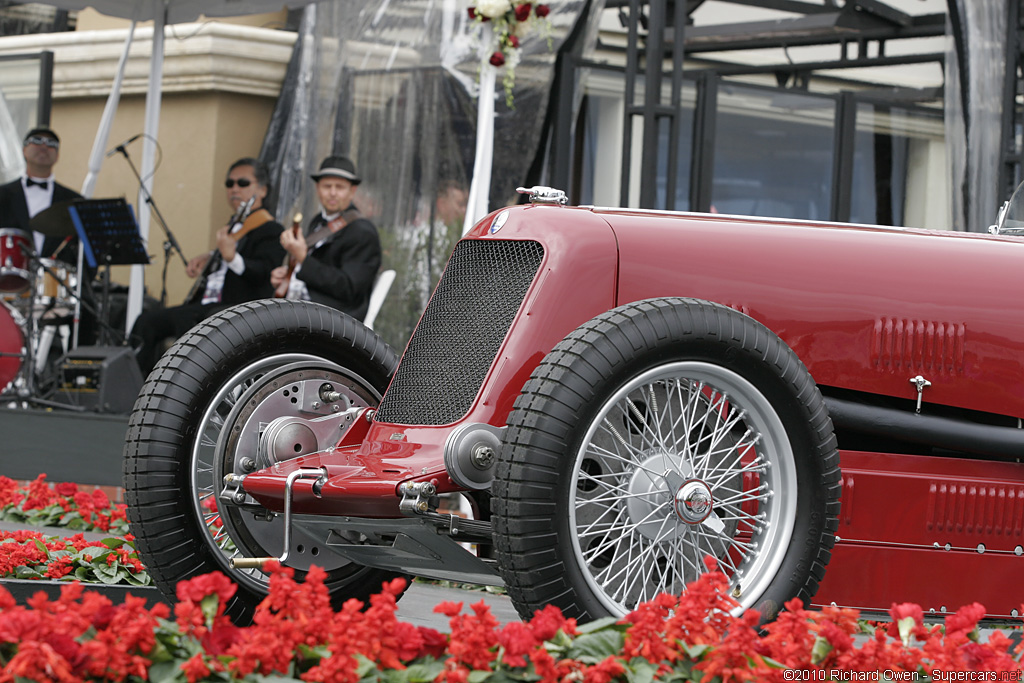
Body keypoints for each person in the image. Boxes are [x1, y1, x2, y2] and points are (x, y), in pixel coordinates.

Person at [130, 157, 286, 375]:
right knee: (147, 320)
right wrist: (210, 259)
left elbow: (263, 273)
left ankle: (184, 389)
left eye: (243, 183)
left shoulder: (271, 229)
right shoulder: (233, 225)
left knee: (188, 320)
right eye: (229, 184)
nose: (234, 189)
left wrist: (231, 258)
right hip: (206, 304)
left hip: (240, 306)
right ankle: (137, 388)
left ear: (262, 190)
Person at [0, 127, 97, 346]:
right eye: (37, 141)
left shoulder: (74, 200)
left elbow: (88, 252)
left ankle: (74, 373)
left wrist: (80, 284)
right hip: (8, 282)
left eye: (51, 144)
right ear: (24, 149)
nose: (44, 146)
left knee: (88, 310)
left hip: (56, 287)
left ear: (58, 155)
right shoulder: (2, 195)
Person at [270, 155, 381, 321]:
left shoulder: (362, 232)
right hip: (305, 309)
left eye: (340, 187)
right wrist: (288, 276)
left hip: (336, 319)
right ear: (317, 189)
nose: (333, 193)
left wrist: (302, 259)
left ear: (352, 191)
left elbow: (348, 288)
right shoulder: (318, 221)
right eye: (327, 186)